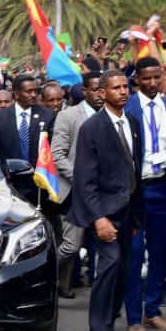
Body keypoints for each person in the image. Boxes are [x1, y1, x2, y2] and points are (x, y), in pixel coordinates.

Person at [69, 71, 142, 331]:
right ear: (103, 92)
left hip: (129, 211)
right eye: (116, 88)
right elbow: (85, 179)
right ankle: (98, 329)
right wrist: (99, 218)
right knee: (109, 264)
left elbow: (134, 168)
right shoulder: (93, 128)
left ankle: (110, 322)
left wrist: (136, 215)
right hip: (105, 211)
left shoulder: (133, 123)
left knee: (124, 269)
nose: (123, 92)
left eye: (125, 87)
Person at [123, 57, 166, 331]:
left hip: (164, 189)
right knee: (135, 254)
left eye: (155, 78)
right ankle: (133, 317)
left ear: (162, 77)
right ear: (136, 79)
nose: (150, 83)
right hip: (136, 193)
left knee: (160, 252)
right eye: (145, 78)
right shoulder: (127, 108)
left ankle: (154, 310)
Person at [52, 72, 103, 295]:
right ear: (85, 91)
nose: (100, 95)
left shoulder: (112, 115)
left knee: (107, 245)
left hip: (105, 193)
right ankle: (43, 274)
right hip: (76, 192)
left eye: (103, 89)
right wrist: (81, 178)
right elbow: (58, 154)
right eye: (95, 90)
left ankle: (105, 294)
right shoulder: (69, 116)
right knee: (71, 246)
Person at [0, 74, 56, 202]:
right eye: (29, 91)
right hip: (10, 184)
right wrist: (3, 171)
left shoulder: (47, 116)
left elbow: (52, 147)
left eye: (36, 91)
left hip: (39, 184)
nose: (34, 95)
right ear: (16, 94)